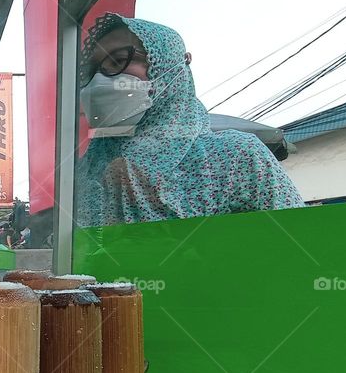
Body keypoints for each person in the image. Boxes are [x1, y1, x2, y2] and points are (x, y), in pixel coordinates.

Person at [74, 14, 305, 227]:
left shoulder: (236, 157)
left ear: (168, 65)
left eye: (119, 60)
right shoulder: (83, 173)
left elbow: (299, 240)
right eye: (92, 70)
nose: (100, 80)